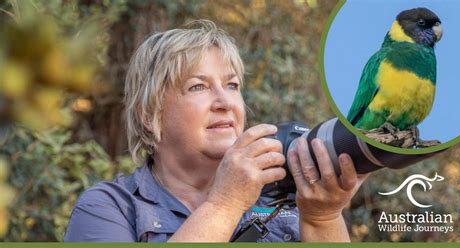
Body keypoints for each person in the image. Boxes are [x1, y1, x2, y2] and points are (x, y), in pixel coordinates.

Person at [64, 20, 368, 242]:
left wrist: (322, 217)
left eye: (232, 85)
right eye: (198, 86)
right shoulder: (109, 208)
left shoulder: (287, 200)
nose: (225, 102)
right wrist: (225, 204)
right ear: (149, 114)